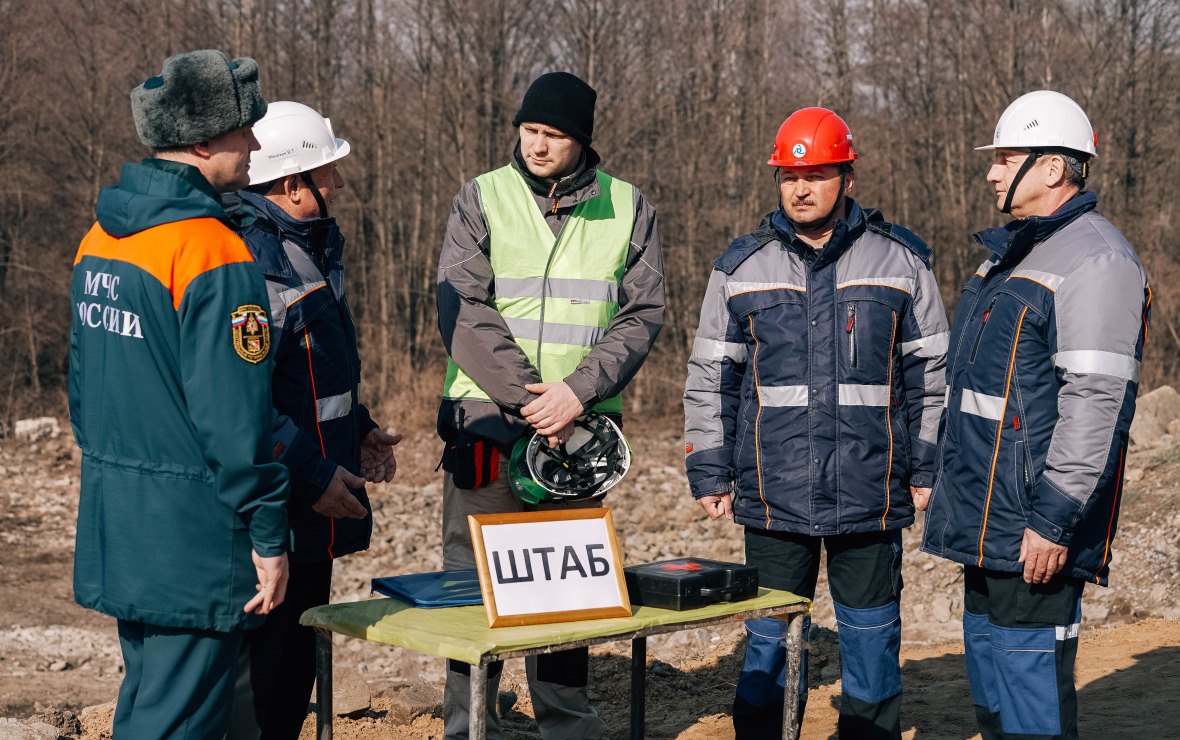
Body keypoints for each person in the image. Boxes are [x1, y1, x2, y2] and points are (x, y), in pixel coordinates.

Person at [684, 107, 949, 739]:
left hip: (872, 491)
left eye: (818, 174)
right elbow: (709, 377)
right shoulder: (739, 268)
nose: (801, 188)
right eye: (789, 176)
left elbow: (932, 376)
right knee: (767, 645)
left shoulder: (902, 262)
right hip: (772, 494)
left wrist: (927, 464)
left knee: (871, 642)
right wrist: (708, 469)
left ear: (848, 177)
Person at [435, 71, 664, 739]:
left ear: (582, 141)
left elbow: (643, 312)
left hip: (582, 438)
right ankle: (468, 723)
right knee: (470, 589)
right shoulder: (481, 197)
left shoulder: (627, 207)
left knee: (567, 586)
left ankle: (565, 723)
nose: (536, 146)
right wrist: (532, 401)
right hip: (486, 427)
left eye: (554, 135)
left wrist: (577, 393)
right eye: (529, 130)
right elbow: (462, 308)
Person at [68, 49, 289, 737]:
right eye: (242, 130)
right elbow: (234, 421)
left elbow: (82, 393)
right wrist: (270, 531)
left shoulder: (100, 239)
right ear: (201, 142)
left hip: (120, 523)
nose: (254, 144)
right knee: (179, 722)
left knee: (146, 705)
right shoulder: (212, 251)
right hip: (193, 538)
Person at [921, 90, 1150, 740]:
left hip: (1032, 532)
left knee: (1032, 711)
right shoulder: (1010, 256)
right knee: (996, 702)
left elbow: (1096, 401)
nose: (992, 172)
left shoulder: (1097, 259)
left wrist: (1053, 520)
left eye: (1005, 158)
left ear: (1053, 167)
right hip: (984, 526)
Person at [222, 101, 403, 739]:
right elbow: (241, 403)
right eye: (327, 172)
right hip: (275, 511)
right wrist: (314, 474)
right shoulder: (255, 263)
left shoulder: (306, 251)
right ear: (292, 183)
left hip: (310, 507)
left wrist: (360, 429)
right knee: (261, 691)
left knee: (291, 679)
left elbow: (312, 378)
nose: (338, 184)